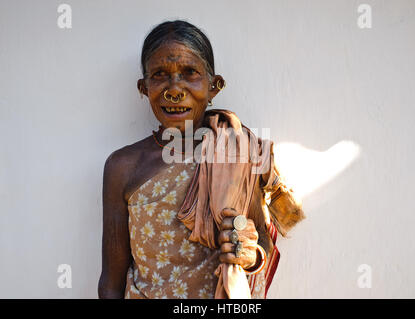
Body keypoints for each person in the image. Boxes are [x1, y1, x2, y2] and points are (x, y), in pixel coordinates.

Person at [98, 19, 304, 299]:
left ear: (214, 86)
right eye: (159, 74)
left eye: (189, 73)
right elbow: (111, 283)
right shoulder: (122, 167)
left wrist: (248, 254)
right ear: (144, 87)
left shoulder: (235, 152)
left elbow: (262, 248)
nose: (174, 88)